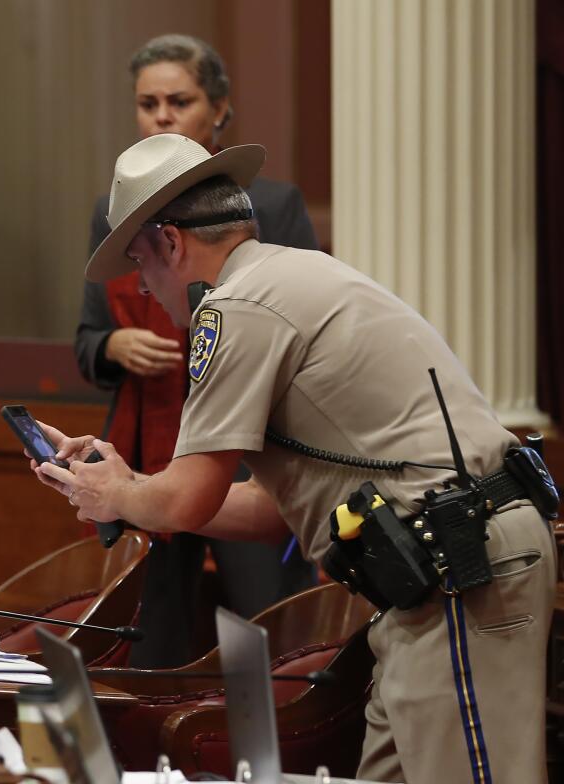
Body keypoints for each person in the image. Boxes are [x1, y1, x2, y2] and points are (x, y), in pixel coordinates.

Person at [35, 132, 555, 781]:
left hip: (459, 570)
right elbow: (267, 510)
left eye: (140, 262)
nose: (142, 284)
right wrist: (133, 484)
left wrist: (116, 495)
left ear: (172, 242)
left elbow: (189, 498)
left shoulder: (235, 307)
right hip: (433, 574)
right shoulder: (282, 274)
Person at [75, 33, 318, 667]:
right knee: (147, 637)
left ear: (218, 109)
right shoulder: (114, 209)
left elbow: (292, 332)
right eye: (147, 103)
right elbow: (86, 340)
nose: (160, 116)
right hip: (148, 436)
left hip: (246, 455)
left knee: (264, 630)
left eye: (177, 101)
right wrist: (113, 345)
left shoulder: (269, 206)